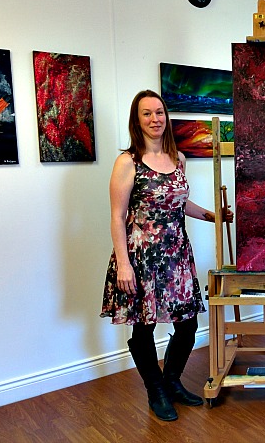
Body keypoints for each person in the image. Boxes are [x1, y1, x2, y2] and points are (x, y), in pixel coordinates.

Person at [100, 89, 233, 421]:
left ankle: (172, 381)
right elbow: (117, 216)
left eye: (159, 112)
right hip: (141, 257)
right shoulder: (127, 162)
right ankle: (155, 391)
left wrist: (213, 216)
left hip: (176, 255)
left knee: (187, 325)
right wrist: (124, 266)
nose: (155, 119)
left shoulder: (178, 158)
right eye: (147, 113)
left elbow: (179, 202)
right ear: (137, 120)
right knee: (143, 329)